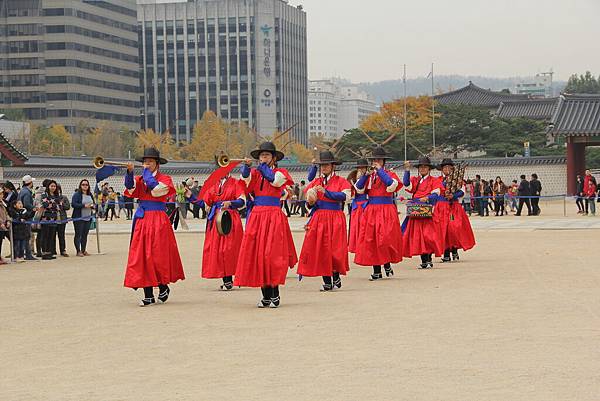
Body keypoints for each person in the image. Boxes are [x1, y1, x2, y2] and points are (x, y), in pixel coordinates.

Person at [234, 141, 297, 308]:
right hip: (257, 216)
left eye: (267, 155)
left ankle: (275, 292)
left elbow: (275, 182)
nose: (263, 158)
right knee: (258, 254)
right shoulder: (255, 174)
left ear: (273, 158)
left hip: (273, 216)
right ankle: (265, 295)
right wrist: (246, 168)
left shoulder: (281, 172)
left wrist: (262, 168)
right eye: (261, 155)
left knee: (272, 254)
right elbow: (245, 184)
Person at [123, 147, 185, 306]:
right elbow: (130, 189)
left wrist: (146, 175)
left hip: (158, 221)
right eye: (145, 162)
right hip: (143, 220)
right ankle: (148, 294)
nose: (146, 164)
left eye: (150, 162)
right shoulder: (140, 179)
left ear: (157, 164)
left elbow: (157, 191)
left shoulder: (166, 179)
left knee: (158, 256)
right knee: (142, 256)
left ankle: (163, 285)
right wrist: (129, 173)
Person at [185, 166, 246, 291]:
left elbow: (242, 201)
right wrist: (190, 196)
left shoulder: (236, 183)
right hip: (216, 219)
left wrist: (231, 203)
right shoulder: (213, 185)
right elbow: (204, 203)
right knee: (219, 250)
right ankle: (226, 279)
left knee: (229, 249)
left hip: (230, 218)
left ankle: (232, 277)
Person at [298, 150, 351, 291]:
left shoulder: (341, 181)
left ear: (333, 166)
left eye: (327, 165)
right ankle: (327, 281)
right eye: (322, 165)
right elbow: (308, 201)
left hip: (335, 217)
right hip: (319, 217)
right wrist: (310, 200)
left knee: (335, 249)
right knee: (321, 249)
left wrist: (326, 192)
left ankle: (336, 273)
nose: (324, 168)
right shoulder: (316, 182)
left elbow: (346, 196)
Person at [354, 146, 403, 279]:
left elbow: (391, 186)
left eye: (379, 160)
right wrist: (365, 175)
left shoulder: (389, 174)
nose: (376, 162)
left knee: (385, 238)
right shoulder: (369, 176)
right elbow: (358, 189)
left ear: (383, 161)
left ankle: (386, 263)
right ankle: (376, 270)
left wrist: (380, 171)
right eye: (374, 160)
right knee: (372, 239)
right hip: (371, 210)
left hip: (386, 209)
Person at [402, 156, 442, 269]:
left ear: (429, 168)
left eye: (425, 167)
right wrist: (407, 170)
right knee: (418, 237)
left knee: (428, 236)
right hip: (416, 211)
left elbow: (436, 193)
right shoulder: (415, 180)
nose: (423, 169)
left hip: (428, 211)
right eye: (421, 167)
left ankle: (429, 258)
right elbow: (406, 184)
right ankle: (424, 260)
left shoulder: (434, 181)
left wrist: (428, 197)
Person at [434, 159, 476, 263]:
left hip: (453, 207)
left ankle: (454, 248)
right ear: (442, 170)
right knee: (442, 229)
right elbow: (435, 192)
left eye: (449, 167)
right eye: (445, 168)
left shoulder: (458, 180)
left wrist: (454, 195)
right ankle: (447, 252)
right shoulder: (438, 180)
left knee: (453, 228)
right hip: (441, 207)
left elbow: (462, 192)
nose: (447, 169)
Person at [347, 158, 369, 254]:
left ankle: (366, 246)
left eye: (363, 167)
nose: (361, 169)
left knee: (365, 227)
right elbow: (356, 191)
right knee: (356, 226)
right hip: (356, 205)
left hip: (366, 204)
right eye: (359, 168)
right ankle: (357, 246)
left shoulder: (369, 177)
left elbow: (363, 190)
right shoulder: (353, 178)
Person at [72, 179, 95, 257]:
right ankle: (78, 251)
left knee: (85, 234)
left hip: (88, 217)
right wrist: (84, 205)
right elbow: (74, 204)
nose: (85, 186)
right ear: (80, 186)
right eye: (83, 184)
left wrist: (93, 206)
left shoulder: (90, 194)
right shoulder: (77, 194)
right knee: (78, 234)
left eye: (86, 185)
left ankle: (83, 250)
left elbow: (93, 203)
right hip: (79, 217)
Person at [40, 180, 62, 260]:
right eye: (51, 186)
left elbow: (60, 206)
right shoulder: (44, 195)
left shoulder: (57, 195)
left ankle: (49, 252)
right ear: (48, 187)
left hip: (54, 218)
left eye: (54, 186)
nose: (53, 188)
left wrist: (52, 204)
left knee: (51, 236)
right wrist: (54, 205)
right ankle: (44, 252)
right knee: (45, 235)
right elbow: (45, 204)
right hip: (46, 218)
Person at [17, 175, 37, 260]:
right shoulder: (27, 192)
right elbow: (27, 204)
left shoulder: (22, 191)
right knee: (27, 235)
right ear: (30, 183)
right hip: (27, 216)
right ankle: (28, 254)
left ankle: (22, 253)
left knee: (24, 235)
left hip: (22, 215)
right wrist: (34, 208)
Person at [55, 184, 70, 257]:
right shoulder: (51, 198)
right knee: (52, 236)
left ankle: (63, 250)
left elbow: (68, 207)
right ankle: (52, 250)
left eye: (58, 189)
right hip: (53, 219)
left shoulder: (64, 197)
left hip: (62, 219)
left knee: (61, 235)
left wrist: (62, 204)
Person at [0, 191, 10, 264]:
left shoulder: (3, 203)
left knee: (1, 242)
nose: (2, 195)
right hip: (1, 225)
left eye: (2, 194)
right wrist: (1, 223)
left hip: (3, 226)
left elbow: (6, 213)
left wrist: (8, 220)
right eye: (0, 194)